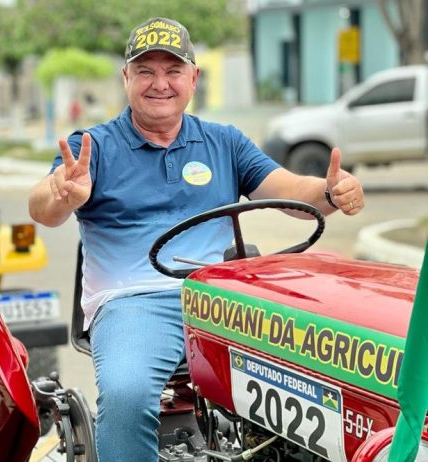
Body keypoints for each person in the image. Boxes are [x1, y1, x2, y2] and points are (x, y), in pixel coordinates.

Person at [28, 17, 365, 462]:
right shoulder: (94, 147)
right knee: (127, 395)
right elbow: (43, 206)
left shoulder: (224, 142)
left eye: (173, 70)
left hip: (223, 298)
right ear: (126, 77)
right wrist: (59, 194)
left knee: (330, 364)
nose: (159, 83)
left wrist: (330, 191)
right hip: (135, 300)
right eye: (145, 71)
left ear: (193, 78)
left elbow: (290, 192)